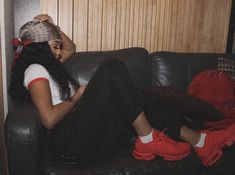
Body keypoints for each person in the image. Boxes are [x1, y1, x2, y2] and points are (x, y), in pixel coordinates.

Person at [9, 14, 235, 167]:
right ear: (40, 47)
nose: (60, 52)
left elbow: (71, 47)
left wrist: (52, 27)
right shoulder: (36, 69)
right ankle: (148, 138)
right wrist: (76, 98)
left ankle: (200, 142)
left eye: (57, 46)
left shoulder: (51, 67)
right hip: (69, 143)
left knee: (143, 96)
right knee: (111, 68)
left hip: (81, 134)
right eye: (54, 46)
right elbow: (48, 120)